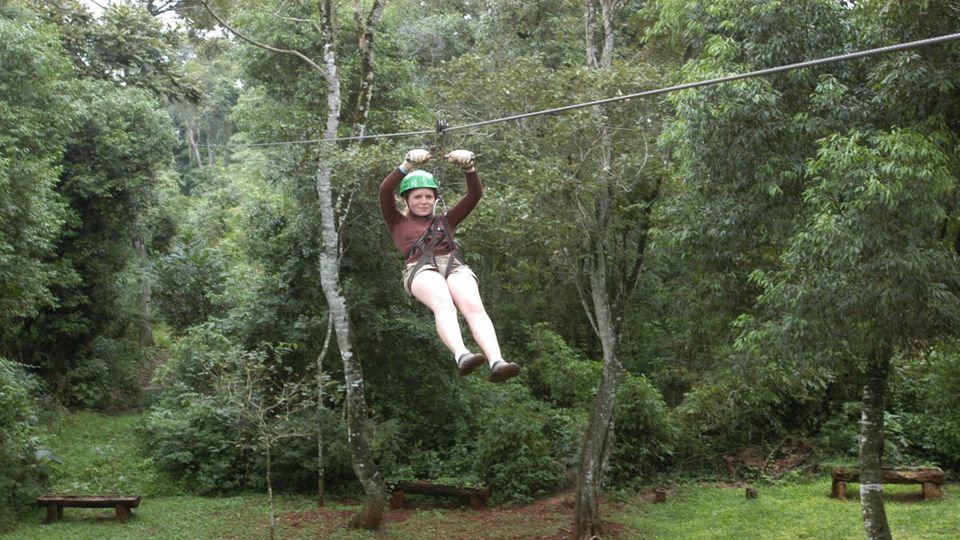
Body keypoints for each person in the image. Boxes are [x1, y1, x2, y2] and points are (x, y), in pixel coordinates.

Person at [379, 148, 520, 383]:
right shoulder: (397, 222)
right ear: (406, 200)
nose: (424, 201)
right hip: (420, 268)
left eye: (428, 197)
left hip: (453, 265)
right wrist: (406, 165)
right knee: (444, 303)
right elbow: (385, 191)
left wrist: (469, 168)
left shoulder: (446, 220)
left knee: (474, 306)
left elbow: (474, 194)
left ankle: (497, 361)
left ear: (436, 199)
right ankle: (462, 354)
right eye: (417, 197)